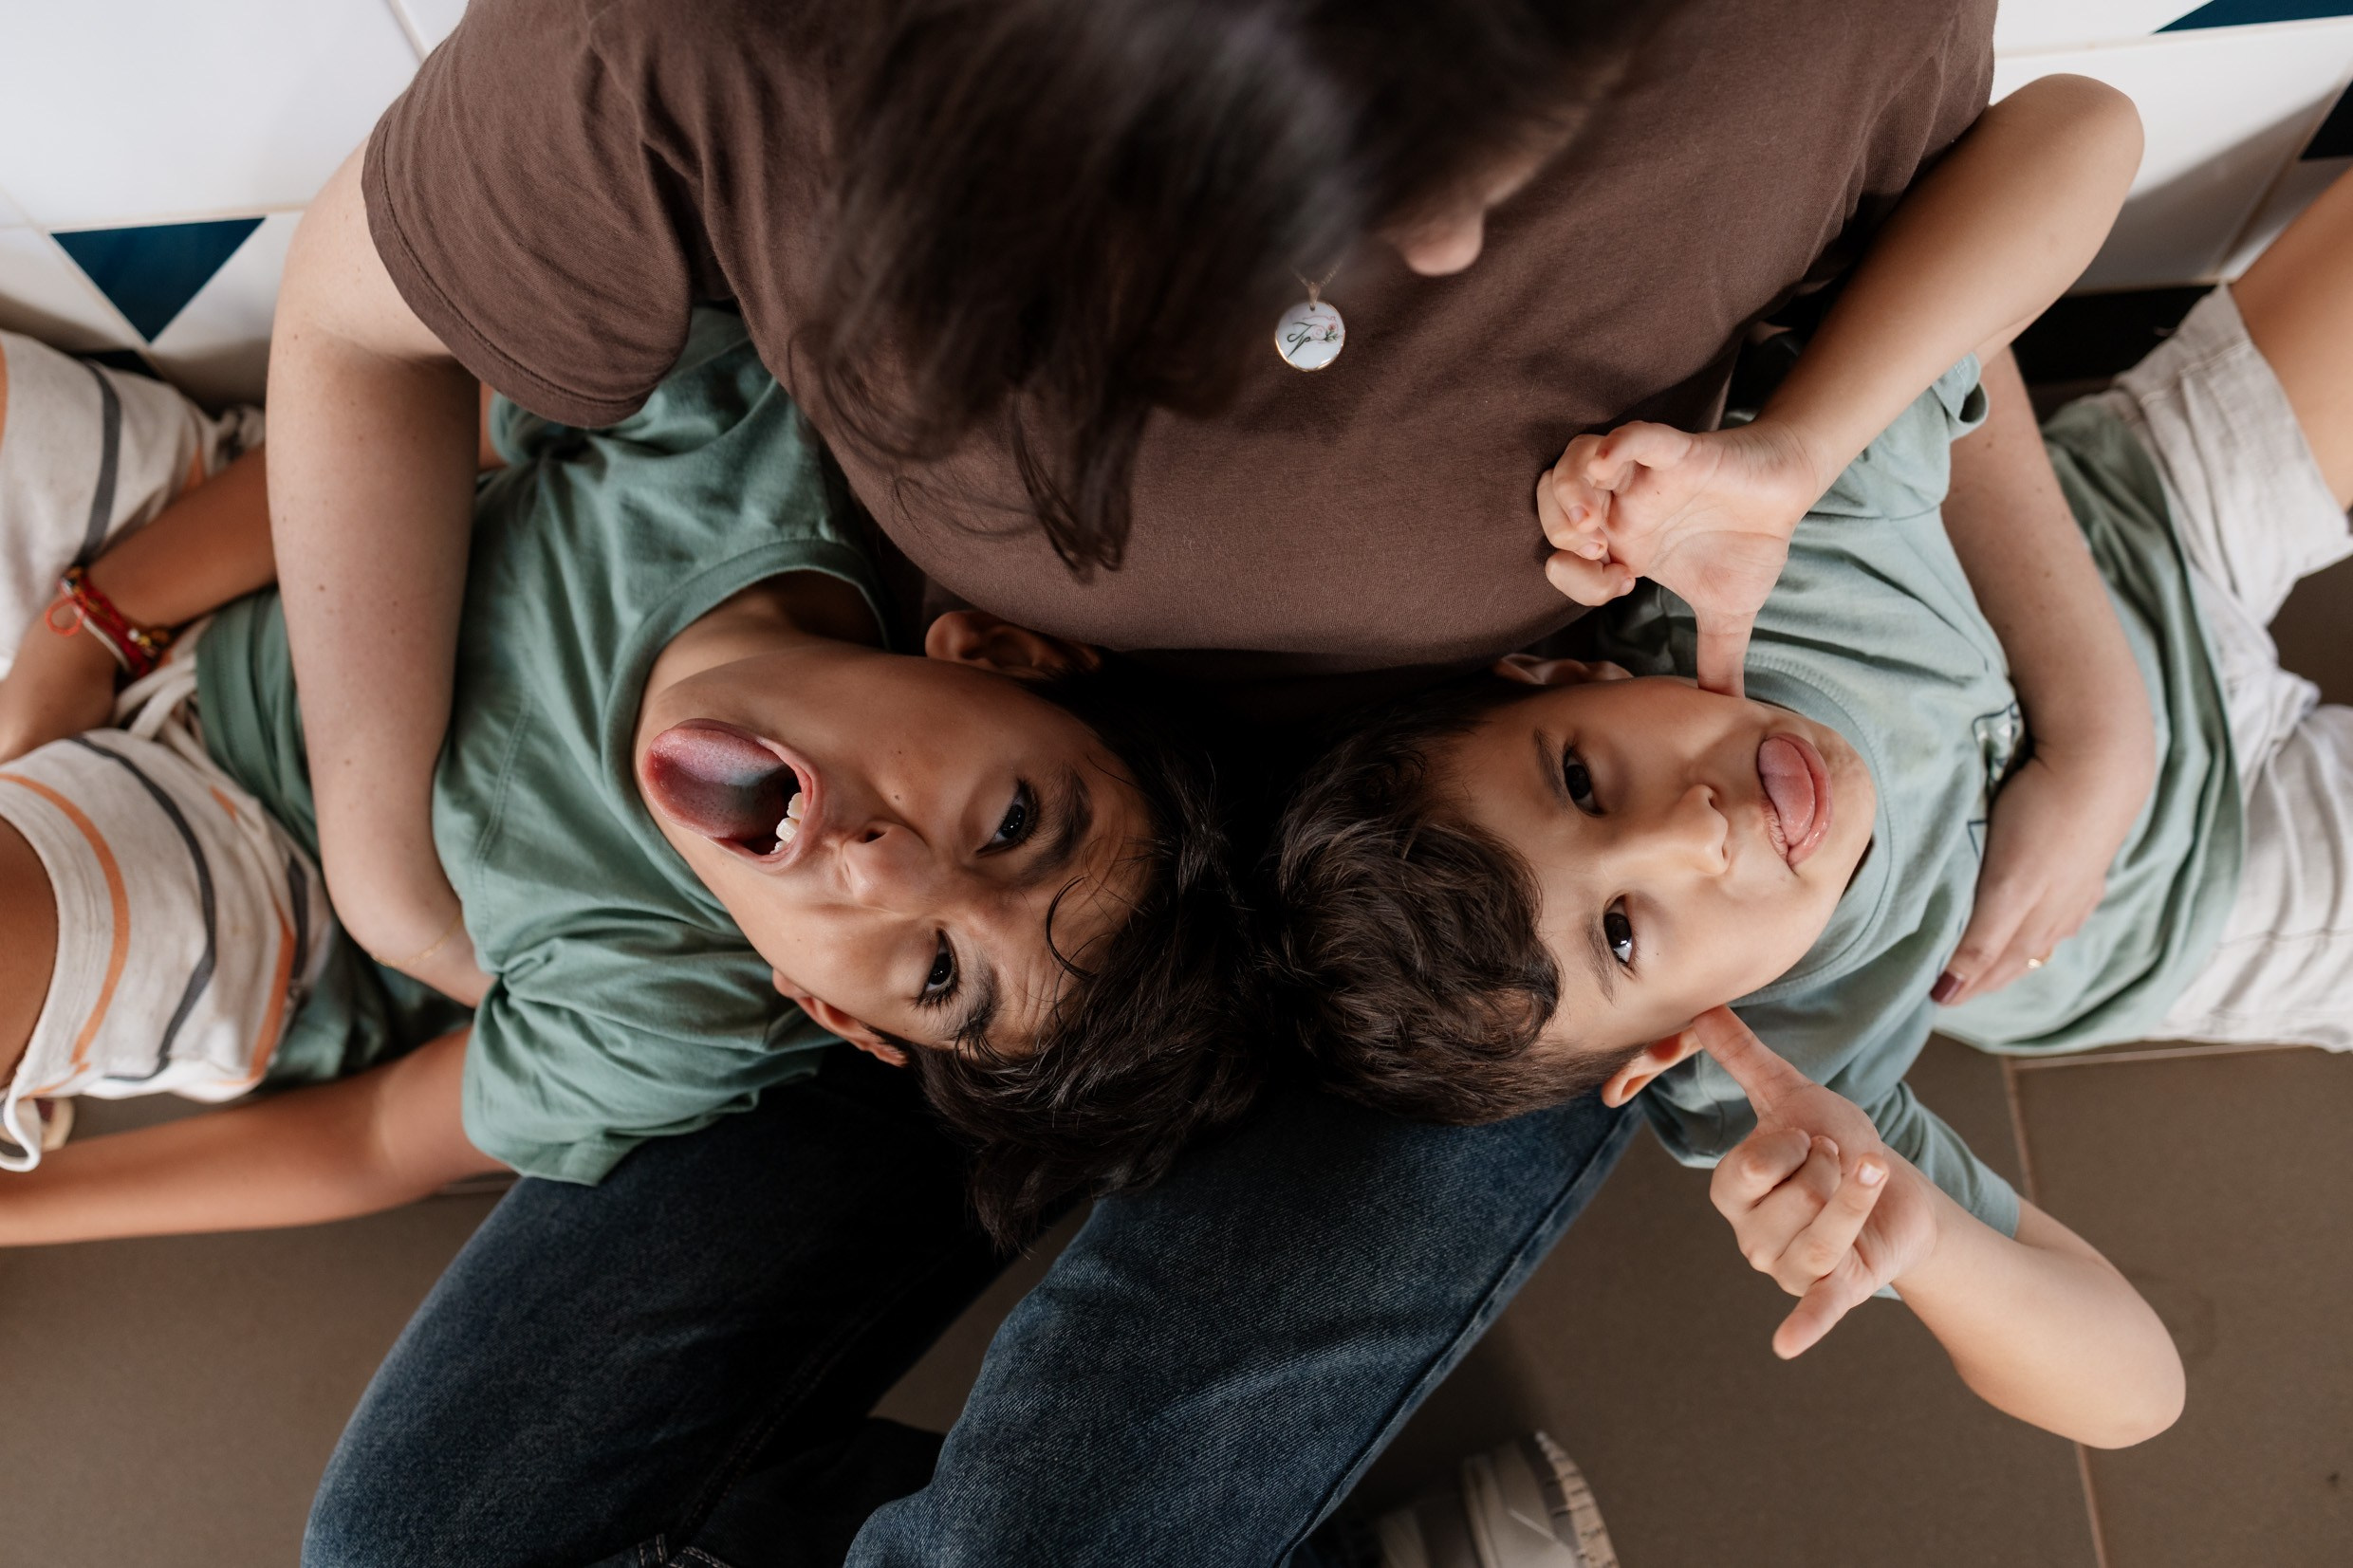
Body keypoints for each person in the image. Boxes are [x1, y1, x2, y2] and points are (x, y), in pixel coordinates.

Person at [270, 2, 2153, 1562]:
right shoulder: (706, 52)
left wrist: (2092, 695)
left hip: (1452, 939)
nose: (1439, 247)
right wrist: (380, 865)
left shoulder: (1643, 913)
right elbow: (363, 317)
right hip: (1040, 906)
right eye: (1324, 146)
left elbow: (1934, 254)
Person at [1268, 162, 2353, 1462]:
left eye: (1582, 781)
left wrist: (2098, 724)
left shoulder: (1735, 546)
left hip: (2125, 533)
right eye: (1624, 933)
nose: (1695, 828)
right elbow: (2135, 1392)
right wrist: (1924, 1238)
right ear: (1660, 1049)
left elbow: (2065, 148)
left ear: (1561, 675)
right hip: (2210, 886)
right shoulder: (1782, 1088)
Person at [0, 313, 1251, 1245]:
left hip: (252, 869)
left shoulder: (674, 1014)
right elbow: (397, 402)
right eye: (1011, 821)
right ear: (1003, 657)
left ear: (835, 1014)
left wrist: (18, 1215)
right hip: (238, 530)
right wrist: (95, 622)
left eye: (937, 974)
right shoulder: (742, 431)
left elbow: (373, 1139)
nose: (881, 867)